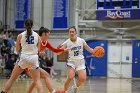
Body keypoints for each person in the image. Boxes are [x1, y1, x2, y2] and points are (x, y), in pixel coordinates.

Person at [1, 19, 43, 93]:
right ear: (32, 25)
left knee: (12, 79)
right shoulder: (37, 36)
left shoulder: (20, 36)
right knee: (37, 80)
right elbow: (39, 50)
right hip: (34, 58)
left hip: (24, 58)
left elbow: (17, 50)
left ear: (24, 25)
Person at [27, 27, 68, 93]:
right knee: (45, 76)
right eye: (48, 34)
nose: (49, 36)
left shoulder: (45, 42)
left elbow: (54, 50)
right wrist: (39, 52)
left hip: (33, 63)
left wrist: (63, 49)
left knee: (36, 79)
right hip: (28, 62)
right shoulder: (36, 40)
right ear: (44, 34)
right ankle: (53, 92)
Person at [58, 26, 95, 92]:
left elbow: (89, 49)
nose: (71, 33)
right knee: (70, 77)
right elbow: (58, 53)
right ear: (68, 33)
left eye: (73, 32)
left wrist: (94, 52)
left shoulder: (81, 40)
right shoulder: (66, 42)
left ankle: (74, 87)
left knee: (83, 78)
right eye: (70, 32)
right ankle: (65, 91)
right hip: (71, 61)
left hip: (80, 61)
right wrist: (61, 50)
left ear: (76, 33)